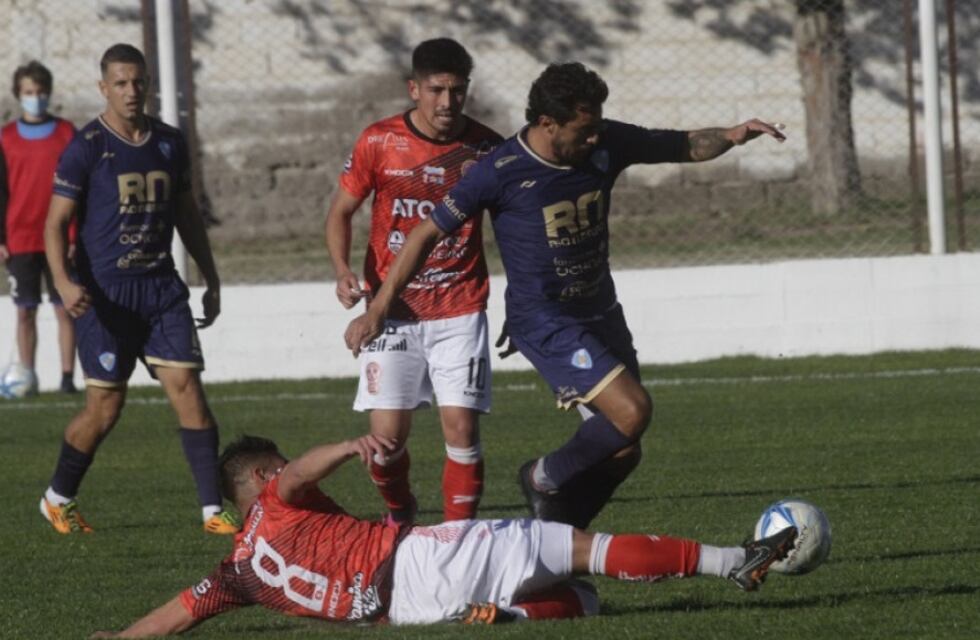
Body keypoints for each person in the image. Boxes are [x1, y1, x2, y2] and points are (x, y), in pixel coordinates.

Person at [344, 62, 787, 529]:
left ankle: (562, 538)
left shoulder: (606, 140)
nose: (595, 138)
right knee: (633, 410)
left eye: (597, 126)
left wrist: (734, 135)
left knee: (624, 449)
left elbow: (683, 145)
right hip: (545, 319)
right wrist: (378, 309)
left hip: (600, 311)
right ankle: (541, 476)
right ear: (547, 124)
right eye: (585, 129)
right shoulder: (500, 170)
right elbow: (424, 235)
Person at [90, 433, 797, 636]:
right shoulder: (278, 498)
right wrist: (343, 447)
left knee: (585, 601)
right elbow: (297, 474)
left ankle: (515, 613)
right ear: (264, 477)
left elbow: (175, 614)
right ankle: (733, 561)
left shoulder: (234, 575)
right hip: (421, 559)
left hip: (410, 614)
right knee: (579, 547)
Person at [38, 44, 237, 535]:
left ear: (148, 84)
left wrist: (209, 278)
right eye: (121, 83)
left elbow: (188, 216)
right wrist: (63, 282)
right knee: (105, 408)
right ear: (103, 88)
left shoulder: (169, 143)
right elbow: (54, 224)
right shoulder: (86, 146)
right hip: (105, 296)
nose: (131, 91)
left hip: (161, 290)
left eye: (138, 82)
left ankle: (212, 511)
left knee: (188, 389)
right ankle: (57, 497)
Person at [324, 38, 503, 524]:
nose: (447, 102)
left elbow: (515, 226)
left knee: (461, 429)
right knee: (384, 443)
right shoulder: (379, 141)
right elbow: (341, 211)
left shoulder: (487, 149)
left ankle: (457, 537)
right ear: (414, 88)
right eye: (436, 90)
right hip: (392, 311)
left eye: (457, 90)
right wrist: (342, 271)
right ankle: (400, 516)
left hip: (460, 306)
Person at [0, 60, 77, 394]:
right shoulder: (5, 138)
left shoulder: (66, 134)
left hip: (59, 237)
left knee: (65, 309)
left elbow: (79, 189)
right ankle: (26, 377)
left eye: (41, 91)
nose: (36, 97)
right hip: (20, 238)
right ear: (19, 95)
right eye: (29, 92)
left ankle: (66, 379)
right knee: (25, 312)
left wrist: (75, 235)